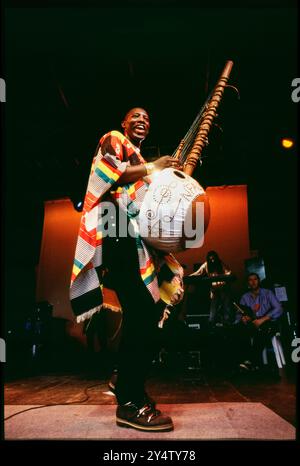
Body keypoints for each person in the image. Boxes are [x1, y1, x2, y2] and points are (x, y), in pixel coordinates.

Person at [70, 107, 184, 432]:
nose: (142, 120)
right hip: (115, 228)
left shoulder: (139, 166)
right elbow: (106, 175)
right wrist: (153, 165)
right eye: (135, 116)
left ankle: (125, 379)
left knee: (143, 312)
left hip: (131, 236)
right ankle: (130, 402)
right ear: (124, 122)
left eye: (147, 118)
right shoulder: (114, 139)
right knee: (143, 310)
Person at [233, 272, 283, 371]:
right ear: (248, 283)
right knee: (239, 330)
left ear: (259, 281)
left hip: (268, 322)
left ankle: (251, 361)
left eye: (255, 279)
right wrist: (243, 318)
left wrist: (263, 319)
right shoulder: (245, 297)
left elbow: (279, 308)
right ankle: (248, 361)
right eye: (250, 280)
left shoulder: (268, 293)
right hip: (252, 323)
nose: (253, 282)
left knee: (261, 333)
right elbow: (239, 313)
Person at [190, 250, 234, 326]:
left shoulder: (220, 263)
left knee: (226, 306)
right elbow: (198, 272)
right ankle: (211, 323)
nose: (212, 261)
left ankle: (228, 323)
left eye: (214, 259)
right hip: (214, 289)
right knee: (213, 307)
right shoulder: (206, 264)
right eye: (210, 259)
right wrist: (189, 276)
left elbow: (229, 272)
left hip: (223, 288)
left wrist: (222, 278)